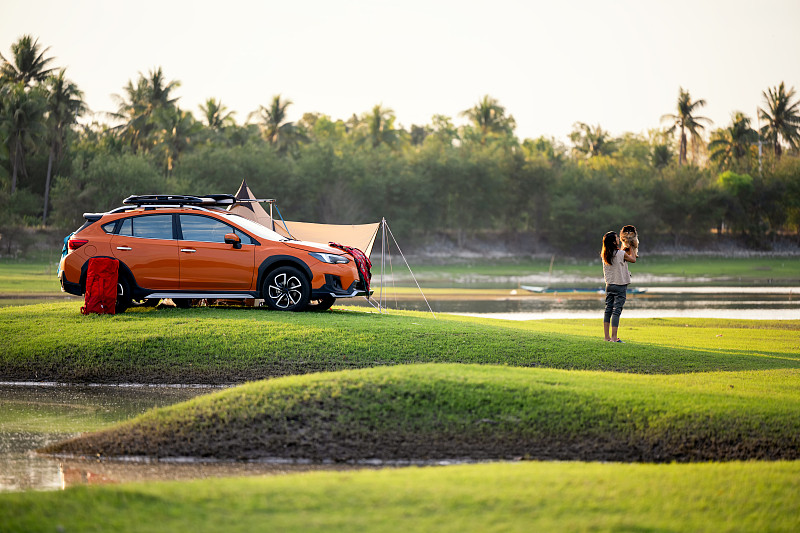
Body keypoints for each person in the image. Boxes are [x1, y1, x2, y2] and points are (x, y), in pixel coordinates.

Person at [601, 230, 636, 342]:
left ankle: (607, 337)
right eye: (616, 237)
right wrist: (632, 247)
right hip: (620, 285)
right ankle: (614, 338)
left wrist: (624, 247)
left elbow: (618, 255)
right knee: (616, 311)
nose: (618, 239)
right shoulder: (620, 254)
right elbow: (633, 259)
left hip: (609, 285)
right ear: (613, 242)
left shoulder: (605, 254)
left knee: (608, 310)